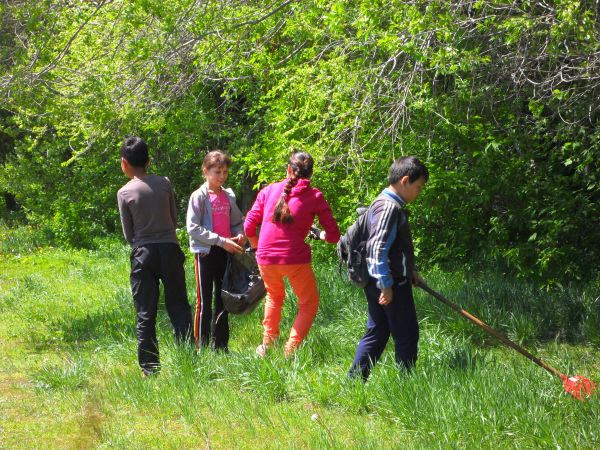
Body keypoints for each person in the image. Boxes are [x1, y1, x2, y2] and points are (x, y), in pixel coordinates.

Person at [244, 151, 341, 357]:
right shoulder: (315, 196)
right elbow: (334, 236)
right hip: (295, 259)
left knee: (274, 296)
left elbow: (249, 226)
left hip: (266, 258)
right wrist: (320, 235)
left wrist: (257, 248)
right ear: (311, 173)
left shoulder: (268, 190)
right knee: (309, 303)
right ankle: (290, 351)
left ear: (288, 169)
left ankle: (267, 345)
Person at [117, 136, 193, 376]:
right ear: (149, 161)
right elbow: (173, 217)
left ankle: (149, 369)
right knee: (179, 306)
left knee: (145, 313)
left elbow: (128, 234)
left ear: (124, 163)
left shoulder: (124, 192)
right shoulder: (164, 183)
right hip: (170, 249)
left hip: (144, 254)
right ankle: (189, 360)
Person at [348, 156, 429, 381]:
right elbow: (377, 248)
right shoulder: (389, 208)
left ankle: (354, 382)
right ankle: (406, 384)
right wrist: (386, 285)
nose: (419, 192)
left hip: (378, 279)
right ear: (405, 181)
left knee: (378, 331)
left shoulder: (381, 202)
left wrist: (410, 269)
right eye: (418, 187)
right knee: (406, 332)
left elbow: (393, 248)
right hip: (389, 282)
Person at [186, 150, 245, 352]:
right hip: (205, 253)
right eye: (217, 172)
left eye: (225, 172)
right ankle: (200, 348)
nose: (222, 176)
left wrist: (239, 234)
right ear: (205, 171)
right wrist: (220, 241)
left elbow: (236, 222)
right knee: (204, 302)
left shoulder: (228, 196)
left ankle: (220, 347)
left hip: (225, 253)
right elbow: (192, 227)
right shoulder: (199, 197)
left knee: (223, 298)